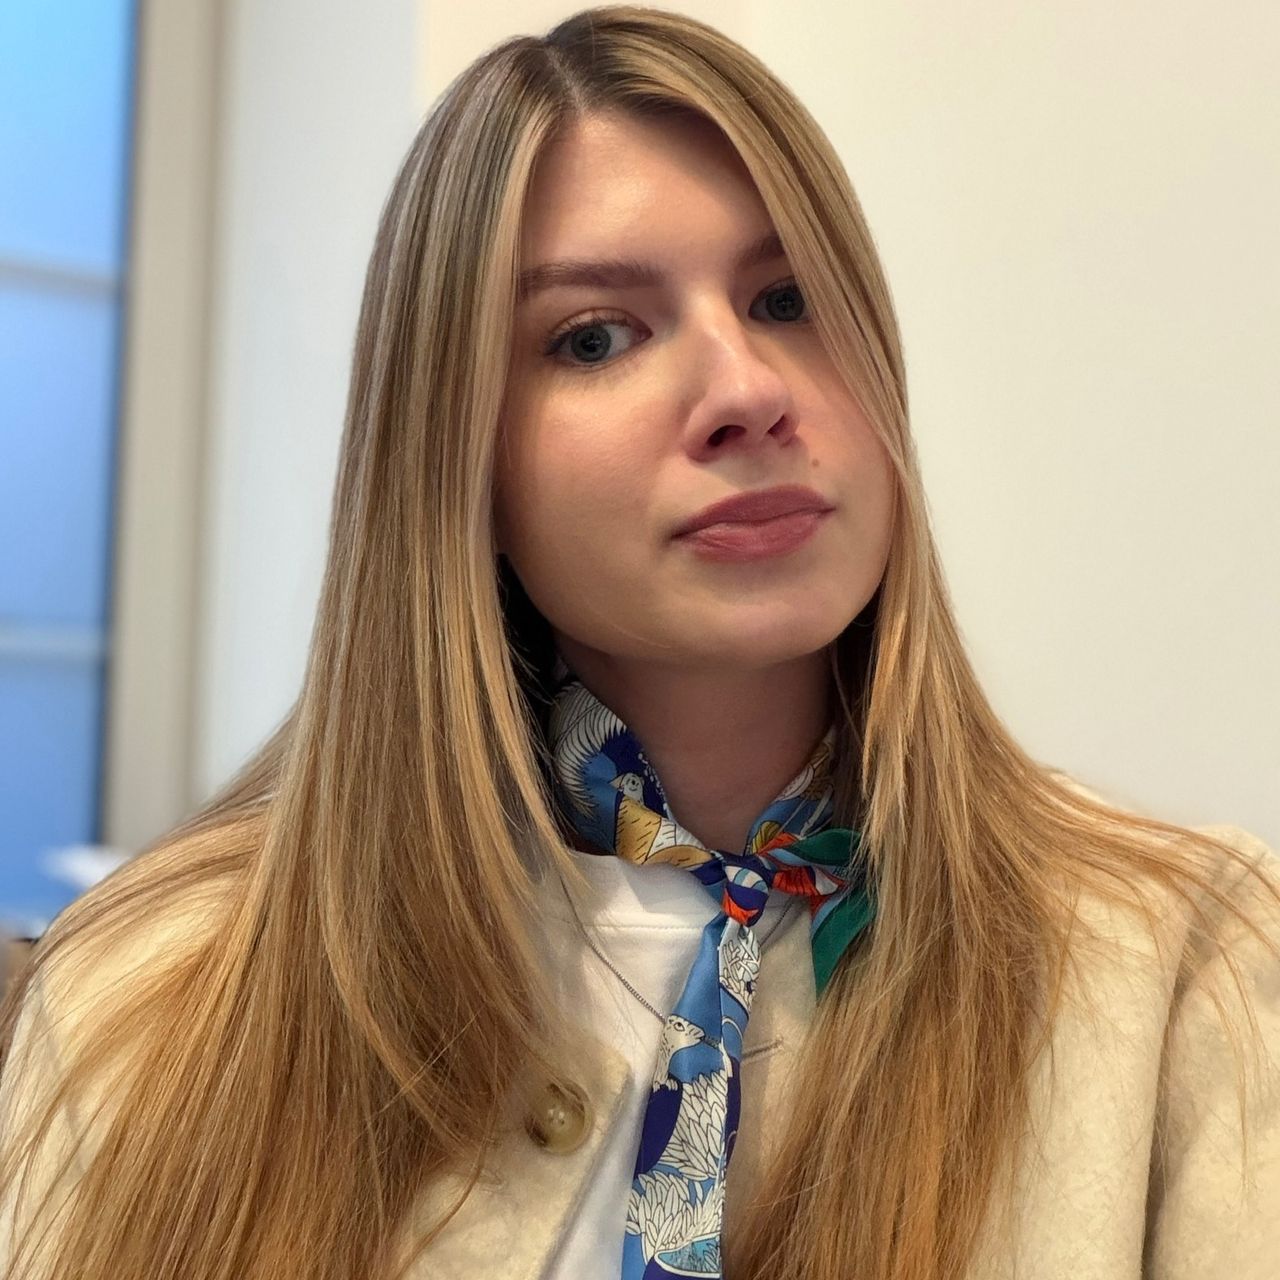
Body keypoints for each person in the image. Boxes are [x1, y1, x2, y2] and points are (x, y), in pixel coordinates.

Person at [2, 6, 1278, 1278]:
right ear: (455, 455)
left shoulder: (1184, 965)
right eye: (594, 336)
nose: (745, 391)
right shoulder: (154, 985)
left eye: (786, 298)